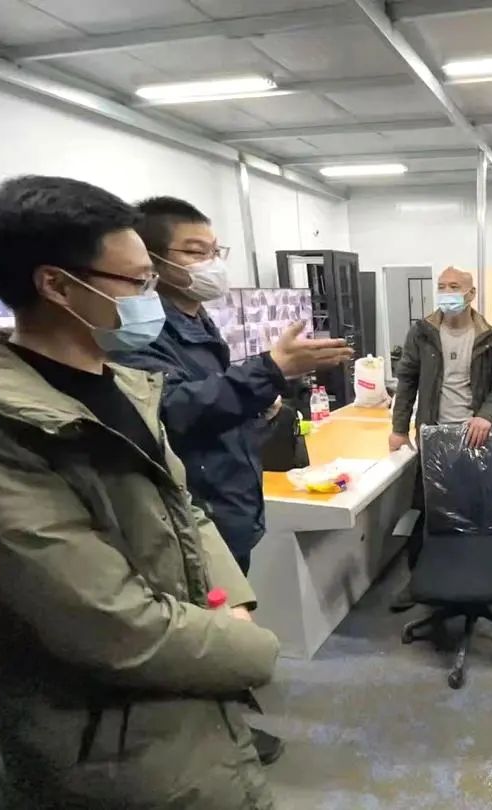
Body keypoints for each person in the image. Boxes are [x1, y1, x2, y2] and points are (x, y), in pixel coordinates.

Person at [0, 175, 280, 809]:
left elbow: (184, 507)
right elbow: (105, 622)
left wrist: (232, 603)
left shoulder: (124, 385)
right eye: (137, 283)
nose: (151, 298)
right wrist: (248, 647)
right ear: (57, 285)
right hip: (100, 751)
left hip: (185, 709)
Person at [111, 196, 351, 765]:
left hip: (229, 500)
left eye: (215, 250)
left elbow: (211, 407)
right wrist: (268, 370)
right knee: (203, 633)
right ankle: (221, 731)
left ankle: (227, 710)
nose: (212, 264)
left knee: (225, 622)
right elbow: (171, 411)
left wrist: (259, 403)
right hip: (198, 509)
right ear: (152, 260)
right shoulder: (141, 333)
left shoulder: (198, 321)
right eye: (195, 252)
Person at [388, 267, 492, 610]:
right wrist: (399, 428)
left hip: (476, 440)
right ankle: (417, 580)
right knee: (426, 511)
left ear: (471, 294)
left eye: (454, 287)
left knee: (473, 511)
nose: (447, 292)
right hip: (433, 437)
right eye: (442, 287)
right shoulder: (423, 332)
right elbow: (407, 380)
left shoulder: (490, 337)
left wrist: (487, 415)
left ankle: (474, 577)